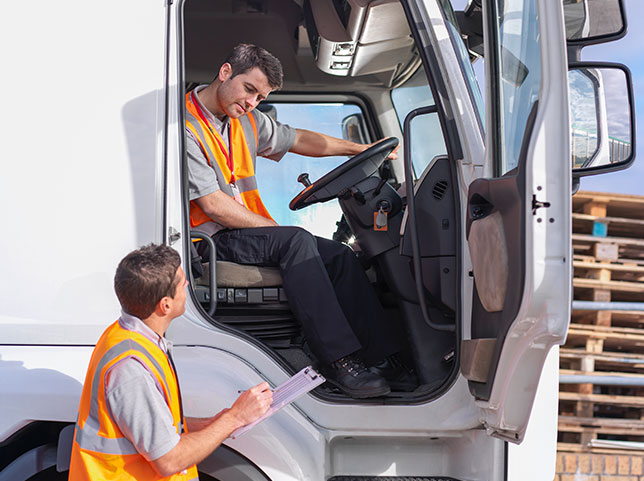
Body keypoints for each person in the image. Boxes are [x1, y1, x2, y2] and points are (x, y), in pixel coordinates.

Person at [186, 43, 407, 399]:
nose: (252, 102)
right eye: (249, 90)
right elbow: (214, 206)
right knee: (296, 241)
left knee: (339, 255)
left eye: (260, 97)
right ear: (225, 72)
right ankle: (340, 362)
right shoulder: (186, 127)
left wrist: (360, 150)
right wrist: (279, 231)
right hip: (209, 240)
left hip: (242, 232)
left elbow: (300, 140)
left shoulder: (246, 121)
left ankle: (387, 358)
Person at [68, 244, 273, 480]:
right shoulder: (132, 370)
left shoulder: (128, 337)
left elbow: (157, 427)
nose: (187, 285)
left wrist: (215, 423)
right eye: (182, 282)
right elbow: (169, 460)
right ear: (165, 305)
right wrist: (234, 418)